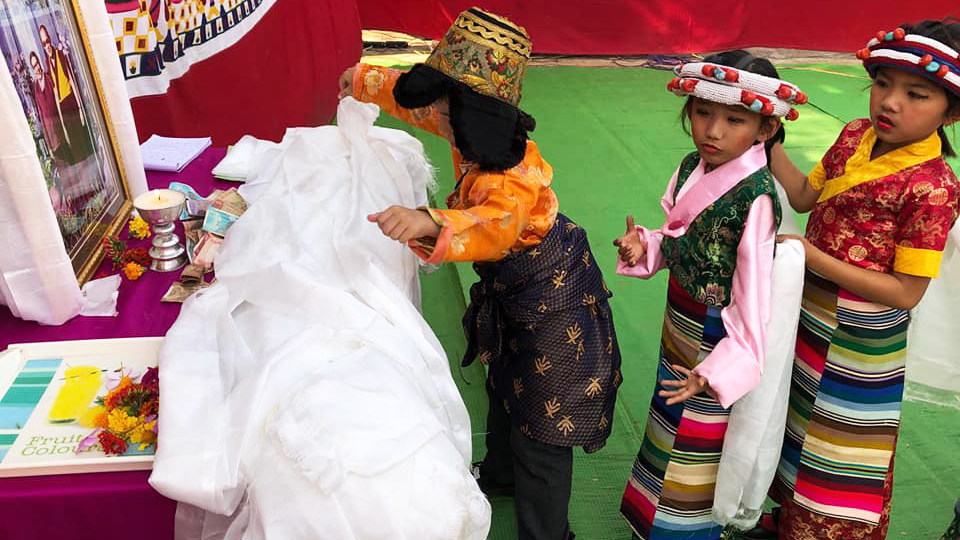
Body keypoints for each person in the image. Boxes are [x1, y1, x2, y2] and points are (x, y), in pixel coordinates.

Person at [338, 8, 622, 540]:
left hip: (554, 299)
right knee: (504, 383)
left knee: (542, 425)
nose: (437, 119)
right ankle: (497, 476)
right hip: (515, 289)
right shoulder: (472, 128)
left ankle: (548, 534)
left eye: (447, 110)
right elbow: (416, 101)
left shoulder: (508, 172)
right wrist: (361, 81)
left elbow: (496, 224)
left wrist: (428, 219)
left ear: (473, 113)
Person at [745, 20, 960, 540]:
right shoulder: (853, 137)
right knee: (791, 418)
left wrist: (810, 255)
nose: (890, 102)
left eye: (916, 94)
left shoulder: (936, 187)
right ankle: (786, 519)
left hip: (863, 340)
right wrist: (766, 132)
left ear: (951, 112)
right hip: (806, 310)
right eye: (882, 84)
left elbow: (907, 292)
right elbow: (802, 198)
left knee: (842, 446)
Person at [614, 50, 808, 540]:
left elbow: (753, 300)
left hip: (717, 338)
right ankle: (652, 519)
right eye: (703, 112)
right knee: (667, 423)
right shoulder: (689, 165)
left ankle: (684, 530)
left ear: (764, 131)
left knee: (698, 442)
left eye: (734, 119)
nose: (713, 131)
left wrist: (713, 372)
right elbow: (677, 235)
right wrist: (646, 245)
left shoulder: (757, 197)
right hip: (679, 317)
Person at [39, 23, 92, 164]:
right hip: (62, 107)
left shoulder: (60, 54)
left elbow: (72, 80)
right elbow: (55, 90)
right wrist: (60, 117)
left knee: (81, 137)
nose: (47, 46)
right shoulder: (46, 62)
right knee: (73, 142)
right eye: (44, 44)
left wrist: (81, 108)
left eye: (48, 41)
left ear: (51, 40)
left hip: (72, 102)